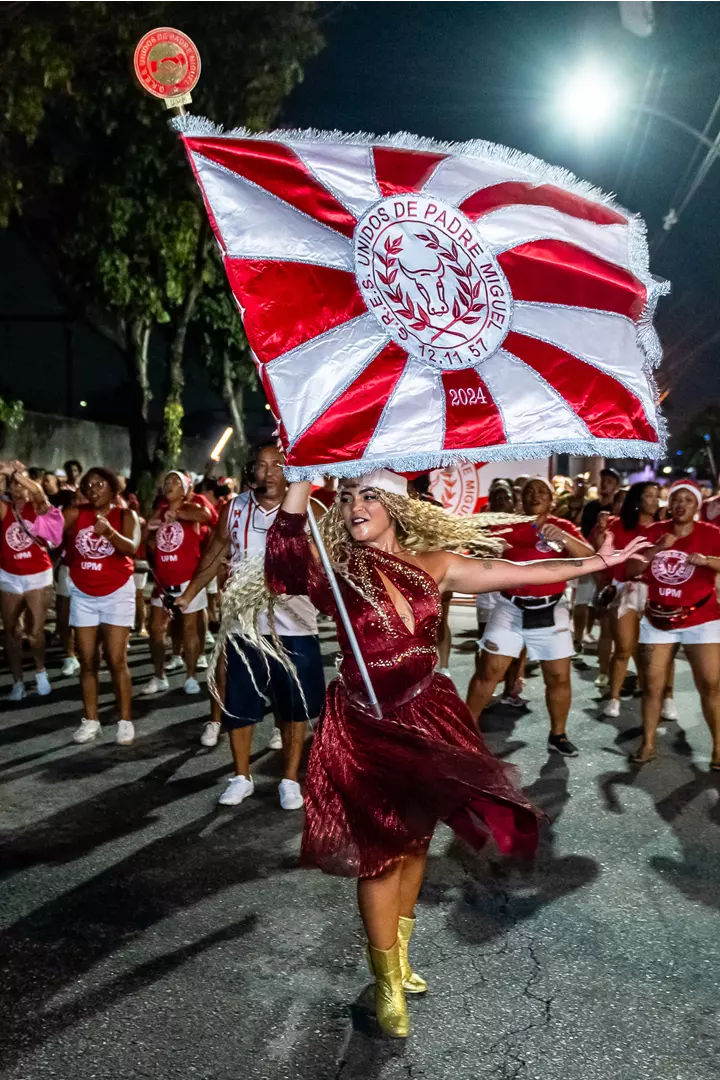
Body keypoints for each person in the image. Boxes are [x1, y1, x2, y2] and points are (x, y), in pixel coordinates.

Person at [259, 468, 647, 1038]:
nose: (355, 507)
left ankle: (402, 957)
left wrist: (597, 564)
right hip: (364, 722)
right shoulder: (337, 566)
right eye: (348, 498)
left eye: (370, 497)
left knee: (415, 840)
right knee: (380, 850)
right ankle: (386, 982)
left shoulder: (434, 564)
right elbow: (284, 566)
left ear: (397, 507)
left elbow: (517, 572)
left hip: (423, 712)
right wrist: (299, 482)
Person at [176, 443, 326, 810]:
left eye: (278, 465)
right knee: (239, 704)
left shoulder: (312, 509)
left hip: (296, 625)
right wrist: (188, 594)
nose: (269, 472)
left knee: (294, 708)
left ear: (289, 470)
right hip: (245, 627)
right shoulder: (236, 509)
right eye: (261, 466)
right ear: (251, 471)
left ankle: (289, 780)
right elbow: (214, 556)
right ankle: (241, 776)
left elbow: (328, 566)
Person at [467, 477, 594, 757]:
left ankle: (557, 735)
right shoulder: (507, 526)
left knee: (558, 677)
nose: (535, 496)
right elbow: (479, 555)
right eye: (529, 492)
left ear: (551, 500)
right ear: (521, 498)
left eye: (541, 492)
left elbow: (590, 559)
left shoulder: (564, 527)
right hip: (510, 606)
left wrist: (565, 539)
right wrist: (487, 548)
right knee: (489, 671)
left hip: (552, 609)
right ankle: (465, 730)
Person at [625, 479, 720, 768]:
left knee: (711, 685)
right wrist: (655, 549)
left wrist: (706, 561)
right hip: (658, 619)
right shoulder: (653, 532)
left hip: (701, 619)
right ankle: (649, 743)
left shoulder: (712, 533)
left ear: (697, 506)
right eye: (676, 499)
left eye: (687, 500)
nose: (680, 505)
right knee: (652, 687)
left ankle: (718, 747)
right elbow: (630, 568)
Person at [63, 467, 140, 746]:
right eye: (89, 485)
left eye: (100, 484)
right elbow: (48, 529)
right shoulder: (75, 514)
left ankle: (124, 720)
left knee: (116, 659)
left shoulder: (125, 515)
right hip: (83, 594)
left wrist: (108, 532)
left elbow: (132, 547)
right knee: (86, 659)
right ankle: (91, 720)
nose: (94, 490)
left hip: (117, 592)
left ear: (113, 488)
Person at [596, 482, 673, 719]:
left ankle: (668, 698)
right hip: (626, 591)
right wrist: (600, 531)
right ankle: (614, 698)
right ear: (638, 500)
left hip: (655, 592)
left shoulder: (665, 528)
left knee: (661, 651)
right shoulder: (619, 525)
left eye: (657, 496)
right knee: (623, 648)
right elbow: (603, 556)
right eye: (649, 496)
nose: (654, 501)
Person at [142, 470, 213, 696]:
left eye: (175, 482)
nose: (169, 484)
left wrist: (179, 514)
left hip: (189, 581)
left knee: (189, 628)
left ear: (185, 489)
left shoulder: (193, 507)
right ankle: (159, 676)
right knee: (155, 630)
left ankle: (190, 676)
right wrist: (148, 530)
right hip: (163, 583)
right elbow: (144, 544)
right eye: (166, 481)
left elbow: (205, 516)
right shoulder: (159, 511)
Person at [0, 461, 63, 700]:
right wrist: (2, 473)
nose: (17, 488)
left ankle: (40, 671)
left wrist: (16, 473)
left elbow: (38, 492)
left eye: (21, 483)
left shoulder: (37, 507)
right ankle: (18, 683)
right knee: (11, 631)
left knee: (35, 631)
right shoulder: (6, 508)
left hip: (38, 575)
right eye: (13, 484)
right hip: (9, 575)